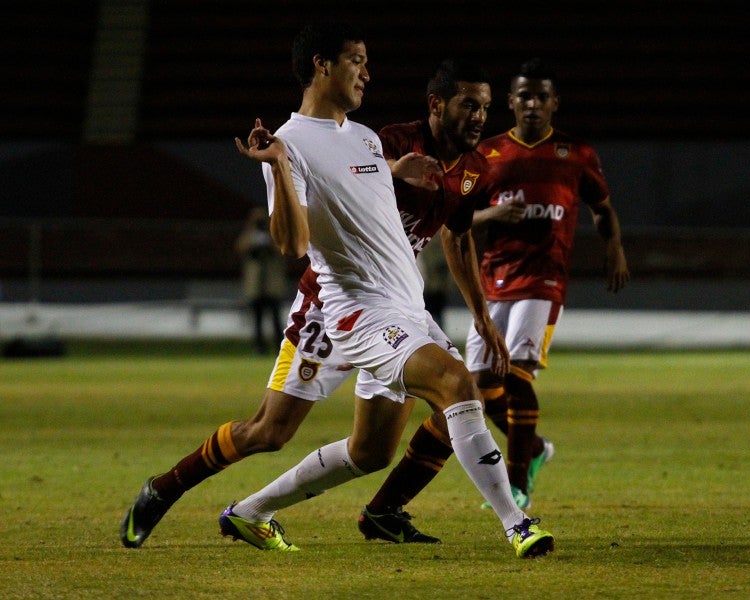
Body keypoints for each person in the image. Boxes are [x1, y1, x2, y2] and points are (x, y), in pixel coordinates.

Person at [121, 23, 553, 559]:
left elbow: (389, 209)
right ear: (322, 65)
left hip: (402, 308)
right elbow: (293, 242)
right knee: (273, 429)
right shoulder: (293, 142)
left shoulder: (369, 139)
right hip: (338, 310)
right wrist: (278, 166)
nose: (368, 72)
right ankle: (164, 489)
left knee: (373, 450)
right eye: (357, 60)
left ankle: (257, 512)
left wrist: (395, 174)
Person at [357, 56, 630, 524]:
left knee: (518, 375)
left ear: (554, 103)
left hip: (543, 281)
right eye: (524, 95)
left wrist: (615, 247)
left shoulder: (574, 153)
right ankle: (531, 450)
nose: (533, 104)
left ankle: (519, 484)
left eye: (542, 96)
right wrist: (493, 218)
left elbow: (602, 206)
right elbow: (457, 224)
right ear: (512, 101)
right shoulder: (488, 156)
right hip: (492, 280)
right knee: (475, 393)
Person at [235, 206, 289, 353]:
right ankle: (259, 347)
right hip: (256, 286)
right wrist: (253, 233)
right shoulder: (249, 234)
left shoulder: (274, 234)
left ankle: (279, 345)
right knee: (257, 319)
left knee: (275, 318)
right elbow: (240, 247)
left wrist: (269, 239)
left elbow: (283, 249)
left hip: (272, 285)